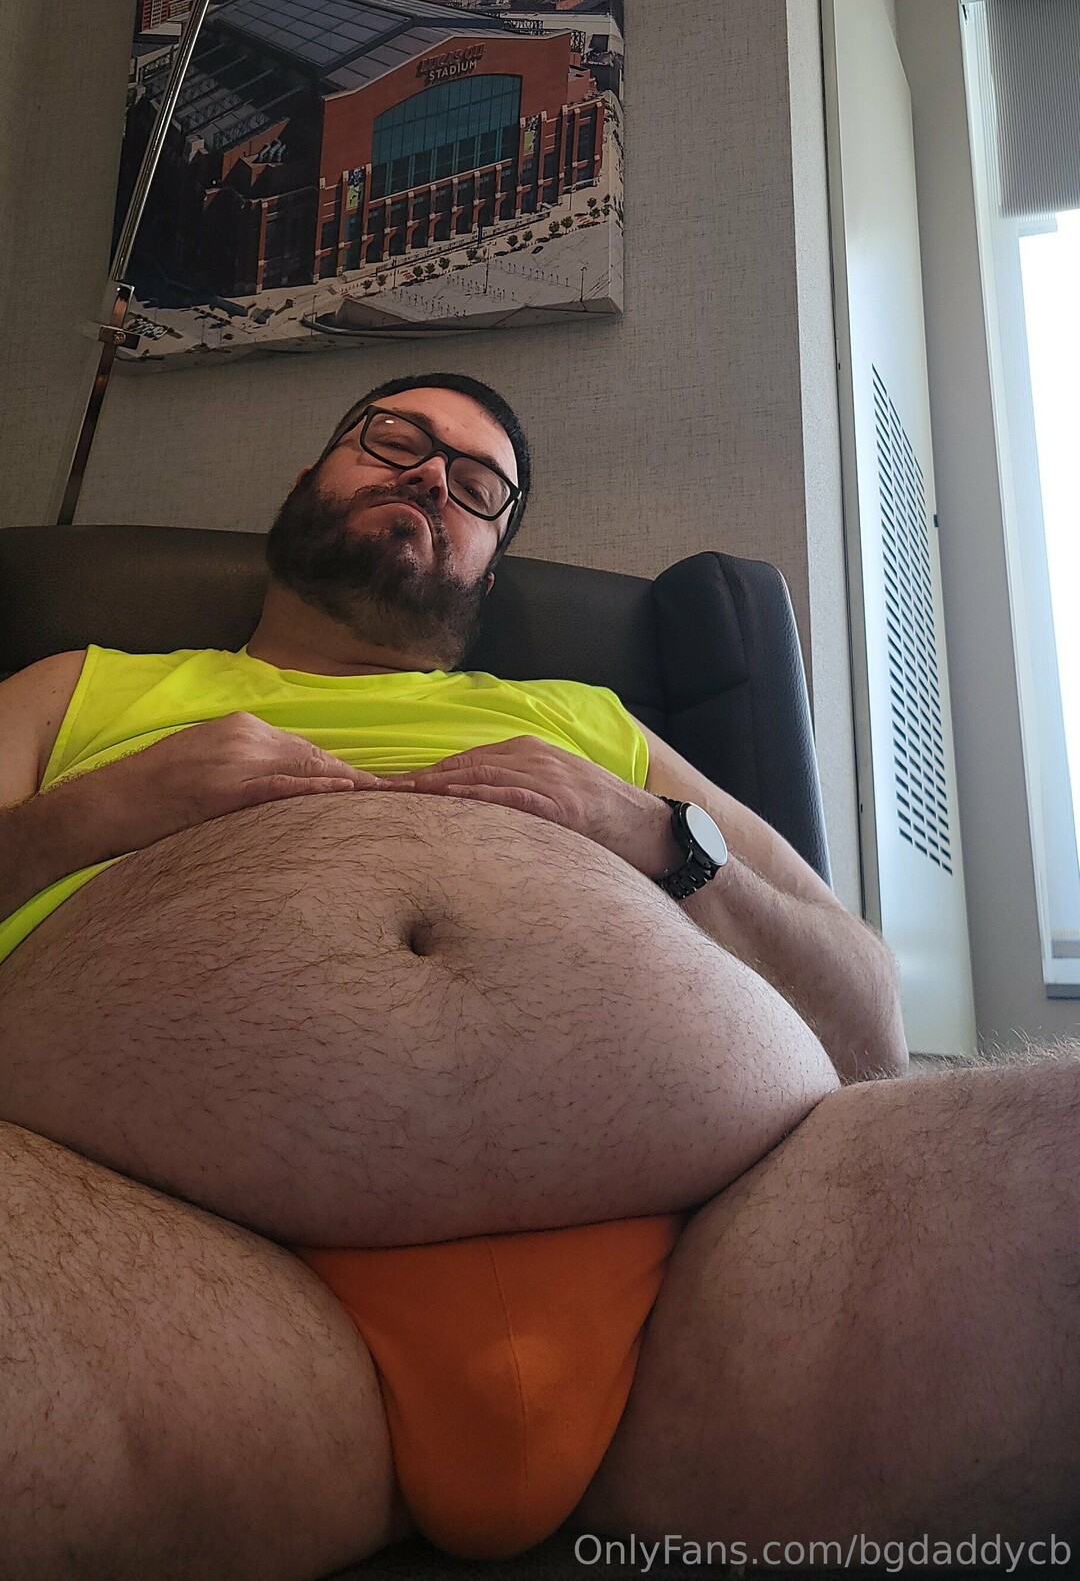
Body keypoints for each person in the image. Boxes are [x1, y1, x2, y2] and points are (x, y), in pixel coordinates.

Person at [0, 374, 1076, 1576]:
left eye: (477, 486)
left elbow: (867, 1015)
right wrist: (95, 811)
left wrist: (659, 835)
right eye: (396, 440)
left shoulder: (591, 722)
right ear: (310, 478)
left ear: (489, 567)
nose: (430, 478)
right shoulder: (80, 685)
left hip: (712, 1290)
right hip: (158, 1271)